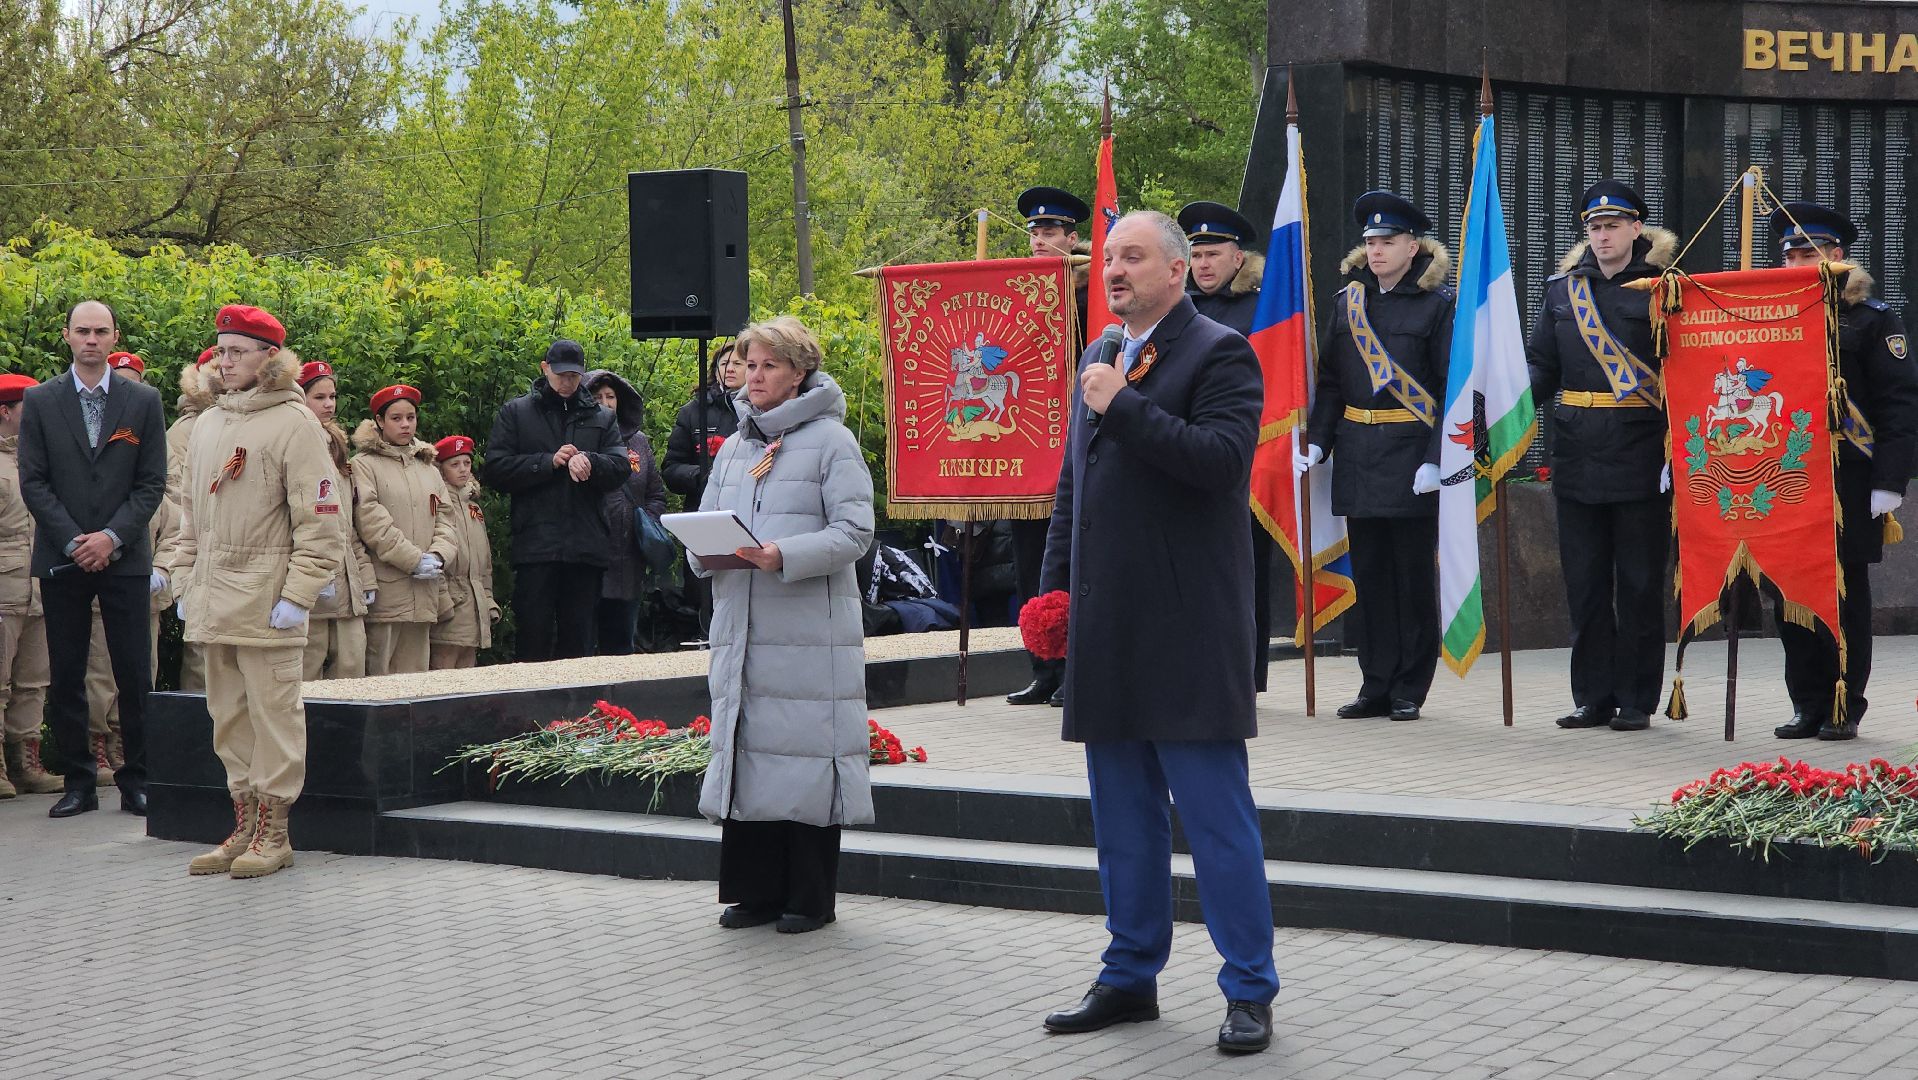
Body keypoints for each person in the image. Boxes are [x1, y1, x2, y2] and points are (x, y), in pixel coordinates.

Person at [1037, 211, 1276, 1054]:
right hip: (1111, 627)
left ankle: (1249, 987)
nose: (1114, 270)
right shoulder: (1098, 357)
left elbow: (1219, 463)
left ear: (1179, 270)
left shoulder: (1219, 353)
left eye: (1132, 256)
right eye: (1108, 258)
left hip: (1187, 627)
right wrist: (1052, 595)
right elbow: (1076, 489)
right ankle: (1130, 974)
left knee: (1216, 820)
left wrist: (1127, 406)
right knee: (1122, 823)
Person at [691, 315, 874, 935]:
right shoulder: (738, 444)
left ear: (799, 373)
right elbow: (709, 517)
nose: (756, 375)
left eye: (770, 364)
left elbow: (856, 532)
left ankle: (809, 897)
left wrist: (783, 556)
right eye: (750, 363)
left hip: (807, 632)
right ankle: (754, 891)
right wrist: (700, 546)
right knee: (751, 750)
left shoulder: (832, 442)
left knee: (801, 753)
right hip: (742, 624)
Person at [172, 304, 340, 878]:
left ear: (271, 357)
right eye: (221, 350)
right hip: (215, 598)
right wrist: (182, 579)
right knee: (228, 717)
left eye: (238, 351)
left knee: (276, 717)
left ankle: (276, 831)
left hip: (270, 601)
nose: (225, 360)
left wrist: (299, 595)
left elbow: (321, 521)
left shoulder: (296, 423)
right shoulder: (209, 424)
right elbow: (189, 517)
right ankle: (243, 822)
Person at [1298, 192, 1453, 721]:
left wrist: (1437, 459)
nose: (1377, 250)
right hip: (1360, 455)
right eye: (1370, 242)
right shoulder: (1349, 304)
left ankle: (1411, 685)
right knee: (1371, 576)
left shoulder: (1437, 306)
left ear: (1414, 246)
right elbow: (1332, 380)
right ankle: (1376, 682)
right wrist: (1320, 442)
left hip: (1411, 456)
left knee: (1411, 577)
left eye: (1388, 241)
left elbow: (1452, 388)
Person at [1527, 180, 1676, 733]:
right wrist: (1501, 407)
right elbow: (1542, 364)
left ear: (1637, 229)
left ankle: (1637, 697)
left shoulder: (1664, 289)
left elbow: (1686, 372)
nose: (1603, 235)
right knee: (1585, 584)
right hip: (1577, 451)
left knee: (1638, 583)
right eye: (1594, 227)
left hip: (1641, 452)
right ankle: (1591, 695)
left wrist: (1677, 450)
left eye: (1613, 226)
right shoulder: (1563, 292)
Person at [1767, 202, 1918, 740]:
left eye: (1809, 252)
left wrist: (1889, 481)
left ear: (1838, 255)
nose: (1798, 262)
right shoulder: (1770, 316)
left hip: (1850, 476)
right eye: (1790, 255)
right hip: (1785, 474)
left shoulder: (1873, 318)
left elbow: (1899, 404)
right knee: (1786, 592)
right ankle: (1806, 701)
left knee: (1844, 592)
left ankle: (1843, 702)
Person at [18, 299, 168, 818]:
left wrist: (111, 538)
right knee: (67, 673)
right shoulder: (40, 400)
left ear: (114, 336)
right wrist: (74, 541)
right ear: (66, 335)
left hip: (124, 557)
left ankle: (137, 781)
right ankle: (79, 781)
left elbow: (151, 483)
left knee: (133, 672)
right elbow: (33, 482)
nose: (91, 340)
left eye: (100, 332)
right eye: (82, 331)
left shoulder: (143, 400)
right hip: (63, 558)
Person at [479, 340, 630, 661]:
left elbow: (620, 467)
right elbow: (495, 470)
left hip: (585, 548)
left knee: (578, 643)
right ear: (544, 368)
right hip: (536, 546)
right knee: (533, 639)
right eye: (561, 375)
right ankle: (530, 709)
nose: (567, 382)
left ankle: (577, 710)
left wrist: (591, 461)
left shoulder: (602, 417)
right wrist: (548, 462)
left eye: (574, 376)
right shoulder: (516, 412)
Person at [1180, 199, 1276, 693]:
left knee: (1243, 573)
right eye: (1196, 255)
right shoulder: (1180, 309)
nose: (1204, 264)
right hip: (1182, 451)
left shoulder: (1262, 307)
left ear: (1238, 258)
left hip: (1247, 456)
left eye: (1213, 254)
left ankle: (1245, 673)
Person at [1006, 185, 1091, 707]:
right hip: (1023, 445)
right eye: (1035, 232)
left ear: (1071, 238)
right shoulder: (1014, 291)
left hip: (1072, 445)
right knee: (1030, 563)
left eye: (1051, 232)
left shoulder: (1091, 292)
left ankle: (1077, 670)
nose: (1040, 239)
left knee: (1074, 565)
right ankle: (1043, 667)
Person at [352, 384, 458, 676]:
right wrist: (412, 559)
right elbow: (370, 519)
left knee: (417, 678)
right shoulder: (364, 465)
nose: (405, 424)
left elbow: (446, 518)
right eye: (396, 418)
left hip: (425, 591)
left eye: (410, 417)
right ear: (380, 421)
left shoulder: (428, 467)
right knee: (381, 675)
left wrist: (438, 555)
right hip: (388, 592)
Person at [0, 374, 58, 798]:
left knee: (34, 680)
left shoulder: (36, 459)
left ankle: (27, 763)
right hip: (3, 588)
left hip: (38, 587)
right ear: (5, 412)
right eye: (27, 408)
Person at [299, 361, 375, 680]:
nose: (329, 404)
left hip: (347, 587)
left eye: (332, 396)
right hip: (310, 585)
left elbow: (347, 525)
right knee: (305, 677)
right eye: (319, 397)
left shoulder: (336, 446)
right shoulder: (296, 443)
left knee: (352, 671)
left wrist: (365, 577)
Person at [662, 342, 744, 638]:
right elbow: (670, 469)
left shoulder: (763, 411)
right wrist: (704, 476)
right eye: (724, 363)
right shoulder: (693, 412)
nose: (731, 368)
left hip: (749, 514)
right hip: (703, 513)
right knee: (703, 592)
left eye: (738, 363)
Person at [586, 368, 667, 654]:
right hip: (589, 555)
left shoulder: (638, 441)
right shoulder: (578, 436)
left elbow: (656, 493)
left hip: (629, 558)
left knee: (622, 647)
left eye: (611, 396)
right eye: (597, 397)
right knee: (582, 647)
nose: (606, 402)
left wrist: (646, 522)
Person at [163, 346, 219, 692]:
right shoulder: (185, 432)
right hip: (202, 555)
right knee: (202, 657)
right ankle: (197, 737)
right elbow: (179, 500)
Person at [428, 435, 497, 670]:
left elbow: (485, 562)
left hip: (474, 600)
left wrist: (487, 600)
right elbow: (432, 553)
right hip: (450, 603)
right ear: (440, 468)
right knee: (444, 668)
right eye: (454, 464)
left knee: (468, 667)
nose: (463, 470)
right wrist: (443, 601)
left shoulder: (473, 507)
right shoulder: (436, 502)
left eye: (467, 463)